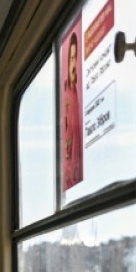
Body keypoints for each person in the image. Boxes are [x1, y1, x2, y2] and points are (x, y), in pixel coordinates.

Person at [62, 30, 83, 190]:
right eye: (71, 58)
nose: (73, 65)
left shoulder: (75, 95)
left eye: (75, 58)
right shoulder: (67, 97)